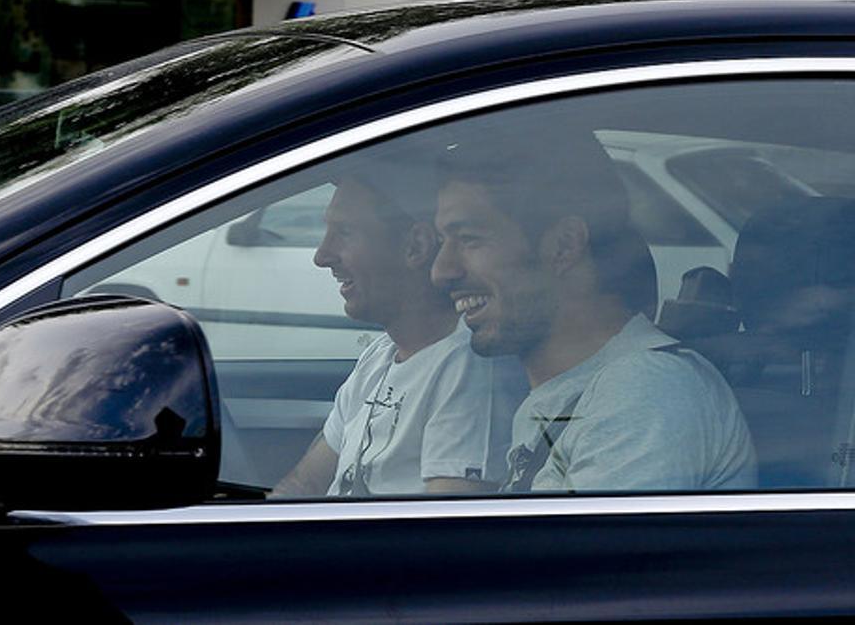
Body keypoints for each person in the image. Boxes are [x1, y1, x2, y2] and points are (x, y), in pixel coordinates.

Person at [429, 127, 757, 492]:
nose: (441, 271)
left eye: (469, 239)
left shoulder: (644, 391)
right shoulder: (576, 392)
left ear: (563, 246)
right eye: (444, 241)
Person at [272, 164, 527, 498]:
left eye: (345, 232)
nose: (323, 256)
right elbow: (303, 485)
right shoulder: (381, 355)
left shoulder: (471, 370)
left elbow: (442, 534)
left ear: (416, 246)